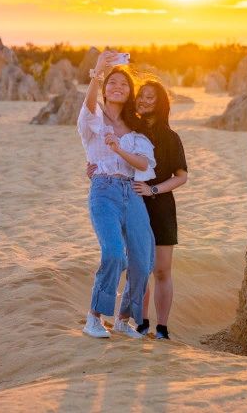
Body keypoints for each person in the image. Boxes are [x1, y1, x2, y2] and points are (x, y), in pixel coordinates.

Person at [87, 79, 188, 340]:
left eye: (150, 97)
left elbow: (181, 176)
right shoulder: (131, 126)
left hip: (159, 206)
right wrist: (95, 168)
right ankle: (139, 322)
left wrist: (153, 189)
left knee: (159, 269)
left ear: (160, 103)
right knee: (132, 261)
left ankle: (161, 328)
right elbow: (105, 152)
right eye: (141, 95)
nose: (143, 100)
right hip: (132, 200)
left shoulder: (170, 137)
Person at [78, 50, 157, 339]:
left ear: (129, 92)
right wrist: (98, 71)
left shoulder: (136, 127)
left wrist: (119, 148)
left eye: (124, 84)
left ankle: (123, 320)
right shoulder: (94, 119)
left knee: (143, 262)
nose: (117, 87)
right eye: (112, 82)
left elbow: (144, 163)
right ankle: (94, 318)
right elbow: (88, 106)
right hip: (104, 191)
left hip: (132, 193)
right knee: (113, 252)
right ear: (104, 87)